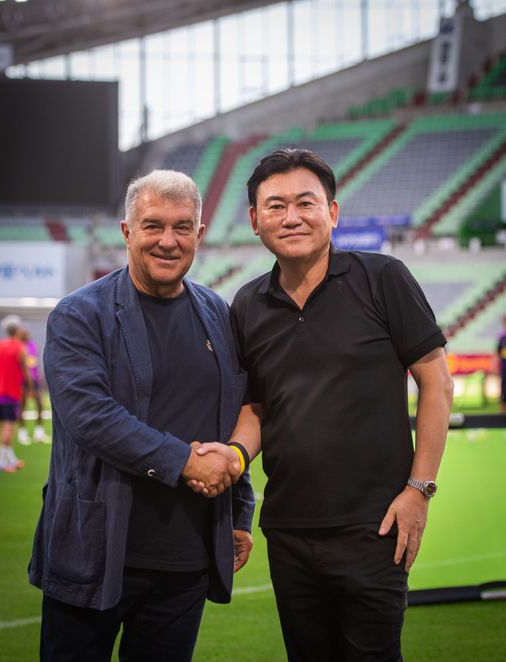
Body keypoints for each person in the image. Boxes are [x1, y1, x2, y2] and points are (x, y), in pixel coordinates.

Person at [193, 148, 453, 661]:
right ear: (255, 221)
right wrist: (235, 457)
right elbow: (256, 407)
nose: (291, 217)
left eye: (305, 203)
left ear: (332, 212)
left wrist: (419, 491)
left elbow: (436, 383)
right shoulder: (246, 304)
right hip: (288, 530)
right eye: (275, 206)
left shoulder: (383, 278)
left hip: (376, 526)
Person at [28, 169, 255, 662]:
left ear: (200, 233)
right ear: (127, 231)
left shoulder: (218, 313)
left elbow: (229, 413)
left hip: (186, 559)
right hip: (95, 552)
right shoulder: (79, 314)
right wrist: (186, 462)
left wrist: (239, 512)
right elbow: (91, 417)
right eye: (153, 225)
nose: (167, 241)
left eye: (182, 227)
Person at [0, 314, 30, 473]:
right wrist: (30, 387)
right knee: (9, 428)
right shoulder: (20, 347)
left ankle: (10, 459)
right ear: (18, 329)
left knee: (3, 427)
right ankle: (0, 463)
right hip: (11, 393)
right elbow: (26, 371)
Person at [17, 327, 50, 445]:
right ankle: (22, 433)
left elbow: (34, 363)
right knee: (22, 406)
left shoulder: (32, 345)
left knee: (40, 405)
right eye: (25, 334)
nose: (28, 335)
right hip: (22, 380)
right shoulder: (18, 346)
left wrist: (38, 376)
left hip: (34, 380)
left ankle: (39, 433)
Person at [497, 314, 506, 412]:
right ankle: (502, 413)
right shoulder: (502, 337)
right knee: (503, 389)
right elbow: (498, 352)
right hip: (504, 367)